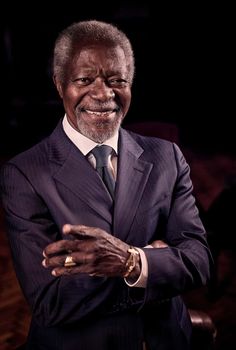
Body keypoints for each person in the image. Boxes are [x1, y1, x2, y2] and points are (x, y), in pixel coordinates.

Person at [0, 20, 213, 350]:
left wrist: (129, 261)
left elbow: (199, 261)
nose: (103, 94)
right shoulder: (25, 173)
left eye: (117, 80)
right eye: (85, 79)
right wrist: (153, 262)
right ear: (59, 84)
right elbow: (50, 301)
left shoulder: (166, 157)